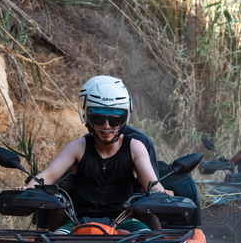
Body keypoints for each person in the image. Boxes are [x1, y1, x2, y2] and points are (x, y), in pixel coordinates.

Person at [24, 76, 169, 233]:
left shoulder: (135, 147)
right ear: (87, 117)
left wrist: (162, 192)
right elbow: (48, 175)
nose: (106, 126)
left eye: (114, 119)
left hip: (124, 221)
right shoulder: (77, 147)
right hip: (78, 222)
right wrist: (28, 189)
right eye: (99, 118)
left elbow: (152, 184)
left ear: (124, 119)